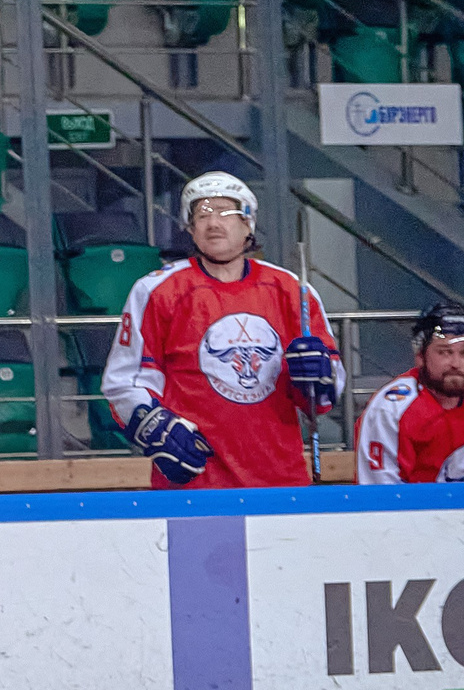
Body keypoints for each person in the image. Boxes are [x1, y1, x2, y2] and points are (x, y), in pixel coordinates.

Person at [101, 171, 345, 491]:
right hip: (196, 486)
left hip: (281, 483)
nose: (214, 223)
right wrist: (152, 423)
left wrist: (321, 376)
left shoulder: (292, 291)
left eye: (226, 212)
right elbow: (124, 381)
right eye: (202, 213)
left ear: (248, 223)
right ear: (190, 227)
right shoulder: (156, 290)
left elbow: (326, 394)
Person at [356, 301, 464, 485]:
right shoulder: (390, 409)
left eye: (463, 353)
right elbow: (382, 497)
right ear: (420, 356)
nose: (455, 363)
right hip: (413, 512)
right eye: (444, 352)